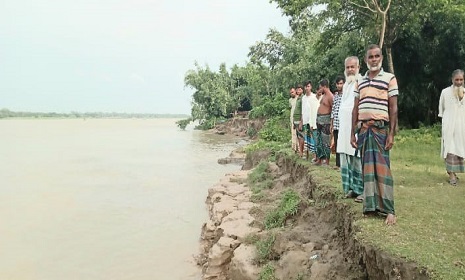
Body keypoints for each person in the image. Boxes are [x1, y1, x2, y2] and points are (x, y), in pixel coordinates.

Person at [351, 44, 398, 226]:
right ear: (365, 60)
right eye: (370, 57)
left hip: (380, 130)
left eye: (377, 56)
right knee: (367, 170)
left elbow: (393, 108)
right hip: (363, 130)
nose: (374, 59)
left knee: (383, 170)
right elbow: (356, 108)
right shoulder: (360, 81)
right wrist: (352, 133)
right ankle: (370, 206)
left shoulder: (389, 78)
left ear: (381, 58)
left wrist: (391, 134)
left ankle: (389, 211)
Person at [337, 57, 363, 202]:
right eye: (348, 67)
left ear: (358, 67)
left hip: (355, 127)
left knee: (357, 158)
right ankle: (352, 188)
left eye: (353, 67)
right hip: (344, 128)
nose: (350, 70)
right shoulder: (346, 85)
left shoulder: (361, 83)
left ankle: (361, 190)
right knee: (346, 158)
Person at [438, 69, 465, 186]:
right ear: (452, 79)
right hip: (449, 125)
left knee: (459, 148)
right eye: (456, 79)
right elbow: (442, 109)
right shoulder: (445, 92)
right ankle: (451, 174)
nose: (458, 82)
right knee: (449, 149)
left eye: (461, 79)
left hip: (461, 126)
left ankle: (455, 172)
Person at [315, 79, 333, 165]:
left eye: (320, 87)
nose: (319, 89)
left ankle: (327, 161)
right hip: (319, 120)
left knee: (326, 141)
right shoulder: (324, 96)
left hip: (326, 121)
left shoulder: (330, 96)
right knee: (319, 141)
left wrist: (331, 123)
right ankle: (320, 159)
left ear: (324, 86)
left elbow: (333, 110)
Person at [302, 80, 320, 160]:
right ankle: (306, 155)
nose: (307, 88)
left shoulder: (314, 97)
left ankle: (315, 155)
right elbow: (303, 110)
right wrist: (301, 121)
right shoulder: (303, 98)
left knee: (314, 139)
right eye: (306, 86)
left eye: (308, 86)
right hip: (305, 121)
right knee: (306, 138)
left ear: (311, 87)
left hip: (312, 121)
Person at [330, 76, 345, 169]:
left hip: (343, 123)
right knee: (337, 143)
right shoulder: (335, 96)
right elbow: (333, 110)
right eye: (338, 83)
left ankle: (344, 164)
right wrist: (331, 123)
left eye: (341, 83)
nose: (339, 85)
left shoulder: (346, 95)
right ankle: (338, 164)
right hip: (336, 123)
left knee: (343, 143)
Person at [293, 84, 305, 157]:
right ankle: (300, 151)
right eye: (297, 89)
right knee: (298, 136)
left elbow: (303, 111)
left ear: (302, 90)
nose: (298, 91)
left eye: (300, 89)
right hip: (296, 120)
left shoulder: (303, 98)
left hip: (300, 121)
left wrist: (301, 122)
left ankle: (301, 152)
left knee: (301, 136)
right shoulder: (298, 98)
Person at [289, 87, 298, 153]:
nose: (292, 93)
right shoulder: (290, 100)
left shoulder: (299, 98)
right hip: (292, 119)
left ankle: (299, 148)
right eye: (291, 92)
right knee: (293, 133)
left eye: (293, 92)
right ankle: (294, 148)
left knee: (298, 134)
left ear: (295, 91)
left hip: (298, 119)